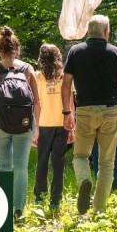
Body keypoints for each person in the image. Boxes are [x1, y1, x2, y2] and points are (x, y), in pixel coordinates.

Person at [62, 15, 117, 215]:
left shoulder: (76, 51)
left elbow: (66, 84)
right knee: (106, 163)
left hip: (84, 110)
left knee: (80, 156)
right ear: (106, 32)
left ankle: (85, 180)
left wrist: (67, 112)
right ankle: (99, 210)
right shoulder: (116, 53)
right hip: (110, 110)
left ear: (88, 31)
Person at [0, 26, 39, 222]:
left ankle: (3, 208)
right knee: (21, 167)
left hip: (0, 125)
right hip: (24, 124)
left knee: (4, 166)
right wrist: (36, 128)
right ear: (17, 49)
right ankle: (18, 210)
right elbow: (36, 101)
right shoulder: (28, 69)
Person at [32, 44, 74, 211]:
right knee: (59, 163)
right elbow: (70, 103)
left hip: (42, 124)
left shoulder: (36, 76)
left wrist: (35, 129)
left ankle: (39, 198)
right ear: (58, 57)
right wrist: (73, 128)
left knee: (42, 162)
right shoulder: (66, 77)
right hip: (62, 124)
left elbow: (35, 103)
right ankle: (55, 201)